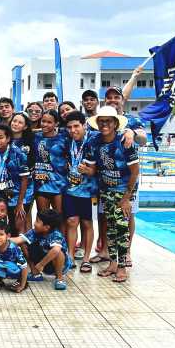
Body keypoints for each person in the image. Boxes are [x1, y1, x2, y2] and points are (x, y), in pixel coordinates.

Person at [87, 106, 139, 283]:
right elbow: (94, 168)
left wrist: (126, 198)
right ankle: (113, 263)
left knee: (121, 229)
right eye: (101, 121)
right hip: (106, 191)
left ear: (115, 123)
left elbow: (134, 172)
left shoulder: (124, 141)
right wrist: (85, 170)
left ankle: (122, 267)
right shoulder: (96, 142)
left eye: (108, 121)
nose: (104, 124)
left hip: (122, 192)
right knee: (110, 228)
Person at [62, 111, 99, 272]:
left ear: (84, 125)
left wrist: (90, 171)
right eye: (69, 127)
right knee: (71, 222)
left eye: (76, 126)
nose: (73, 130)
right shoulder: (67, 141)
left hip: (89, 191)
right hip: (70, 189)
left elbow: (100, 167)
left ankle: (85, 259)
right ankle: (70, 256)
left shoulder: (93, 140)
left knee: (86, 223)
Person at [10, 210, 70, 290]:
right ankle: (35, 274)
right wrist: (0, 239)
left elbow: (55, 250)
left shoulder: (56, 235)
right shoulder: (34, 232)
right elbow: (18, 239)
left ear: (46, 227)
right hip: (41, 263)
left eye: (37, 221)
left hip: (57, 265)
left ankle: (59, 279)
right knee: (23, 244)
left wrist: (42, 264)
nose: (34, 223)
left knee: (58, 252)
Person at [0, 123, 30, 234]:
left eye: (1, 137)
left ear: (8, 138)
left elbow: (24, 179)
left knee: (17, 226)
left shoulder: (19, 154)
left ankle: (22, 250)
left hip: (16, 194)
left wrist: (20, 203)